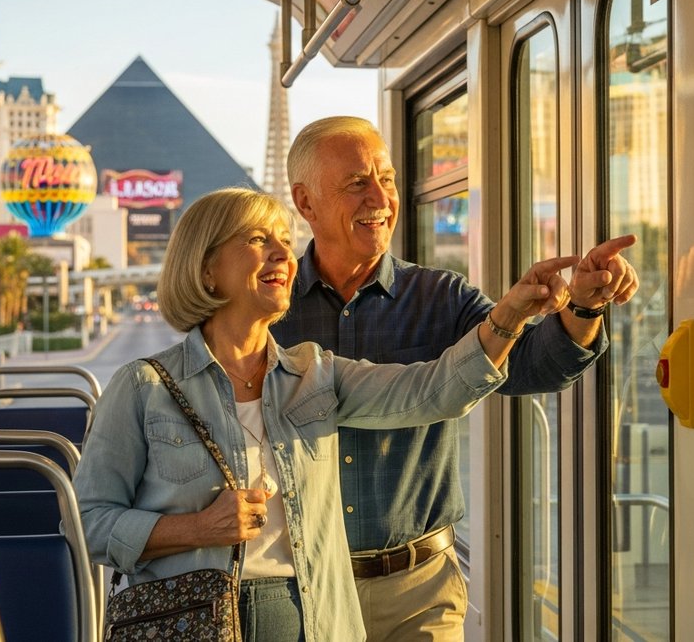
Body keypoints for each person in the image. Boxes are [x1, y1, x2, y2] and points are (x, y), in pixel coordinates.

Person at [74, 187, 582, 642]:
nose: (282, 253)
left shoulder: (315, 372)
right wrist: (198, 528)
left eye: (283, 240)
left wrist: (511, 314)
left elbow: (432, 391)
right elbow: (89, 523)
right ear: (206, 268)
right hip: (189, 622)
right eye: (257, 239)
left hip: (313, 621)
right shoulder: (141, 386)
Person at [274, 116, 638, 640]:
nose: (380, 197)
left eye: (388, 178)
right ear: (305, 203)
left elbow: (535, 365)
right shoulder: (270, 307)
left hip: (419, 593)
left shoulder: (441, 296)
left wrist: (582, 306)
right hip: (300, 589)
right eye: (357, 183)